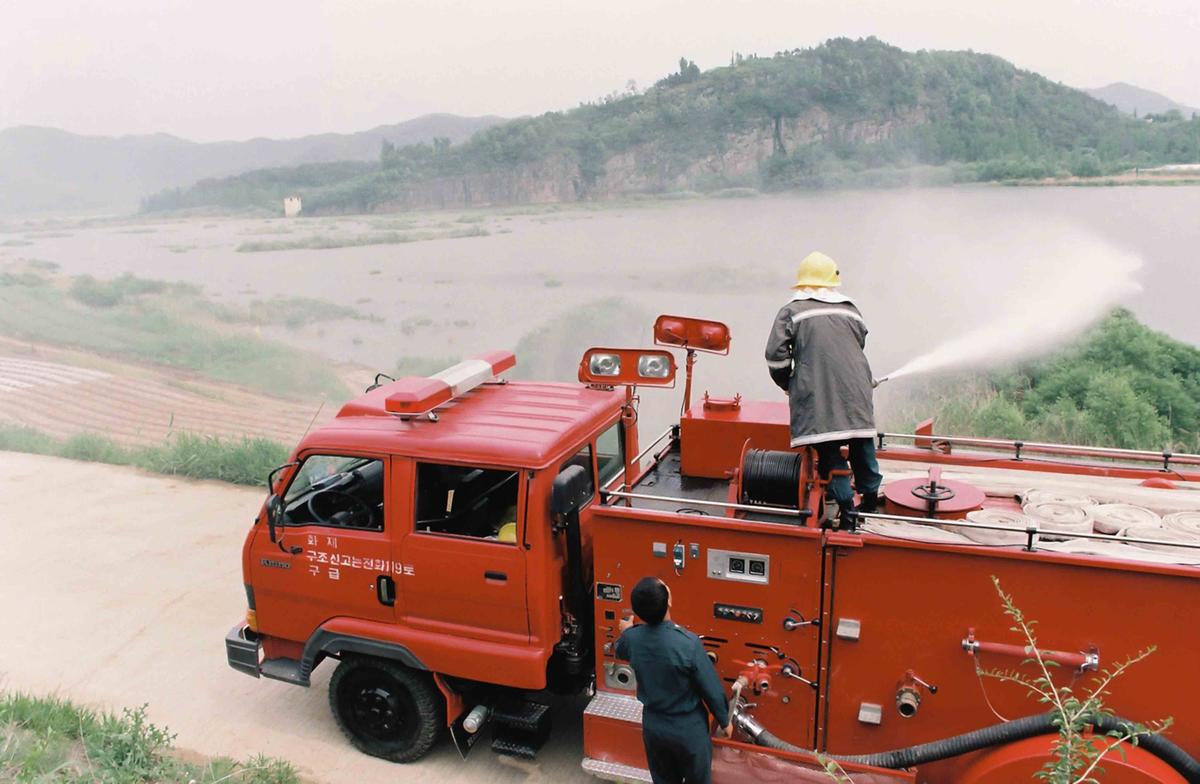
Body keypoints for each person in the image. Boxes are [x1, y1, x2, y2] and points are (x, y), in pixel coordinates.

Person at [764, 250, 882, 517]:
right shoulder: (850, 309)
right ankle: (871, 500)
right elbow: (858, 344)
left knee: (829, 449)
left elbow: (775, 357)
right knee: (861, 443)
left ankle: (846, 508)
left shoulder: (791, 311)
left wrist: (788, 383)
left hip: (819, 395)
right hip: (858, 391)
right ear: (832, 282)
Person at [616, 577, 731, 784]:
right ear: (668, 601)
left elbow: (621, 648)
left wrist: (628, 631)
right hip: (688, 727)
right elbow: (710, 687)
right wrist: (725, 720)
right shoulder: (688, 643)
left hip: (654, 726)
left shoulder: (631, 639)